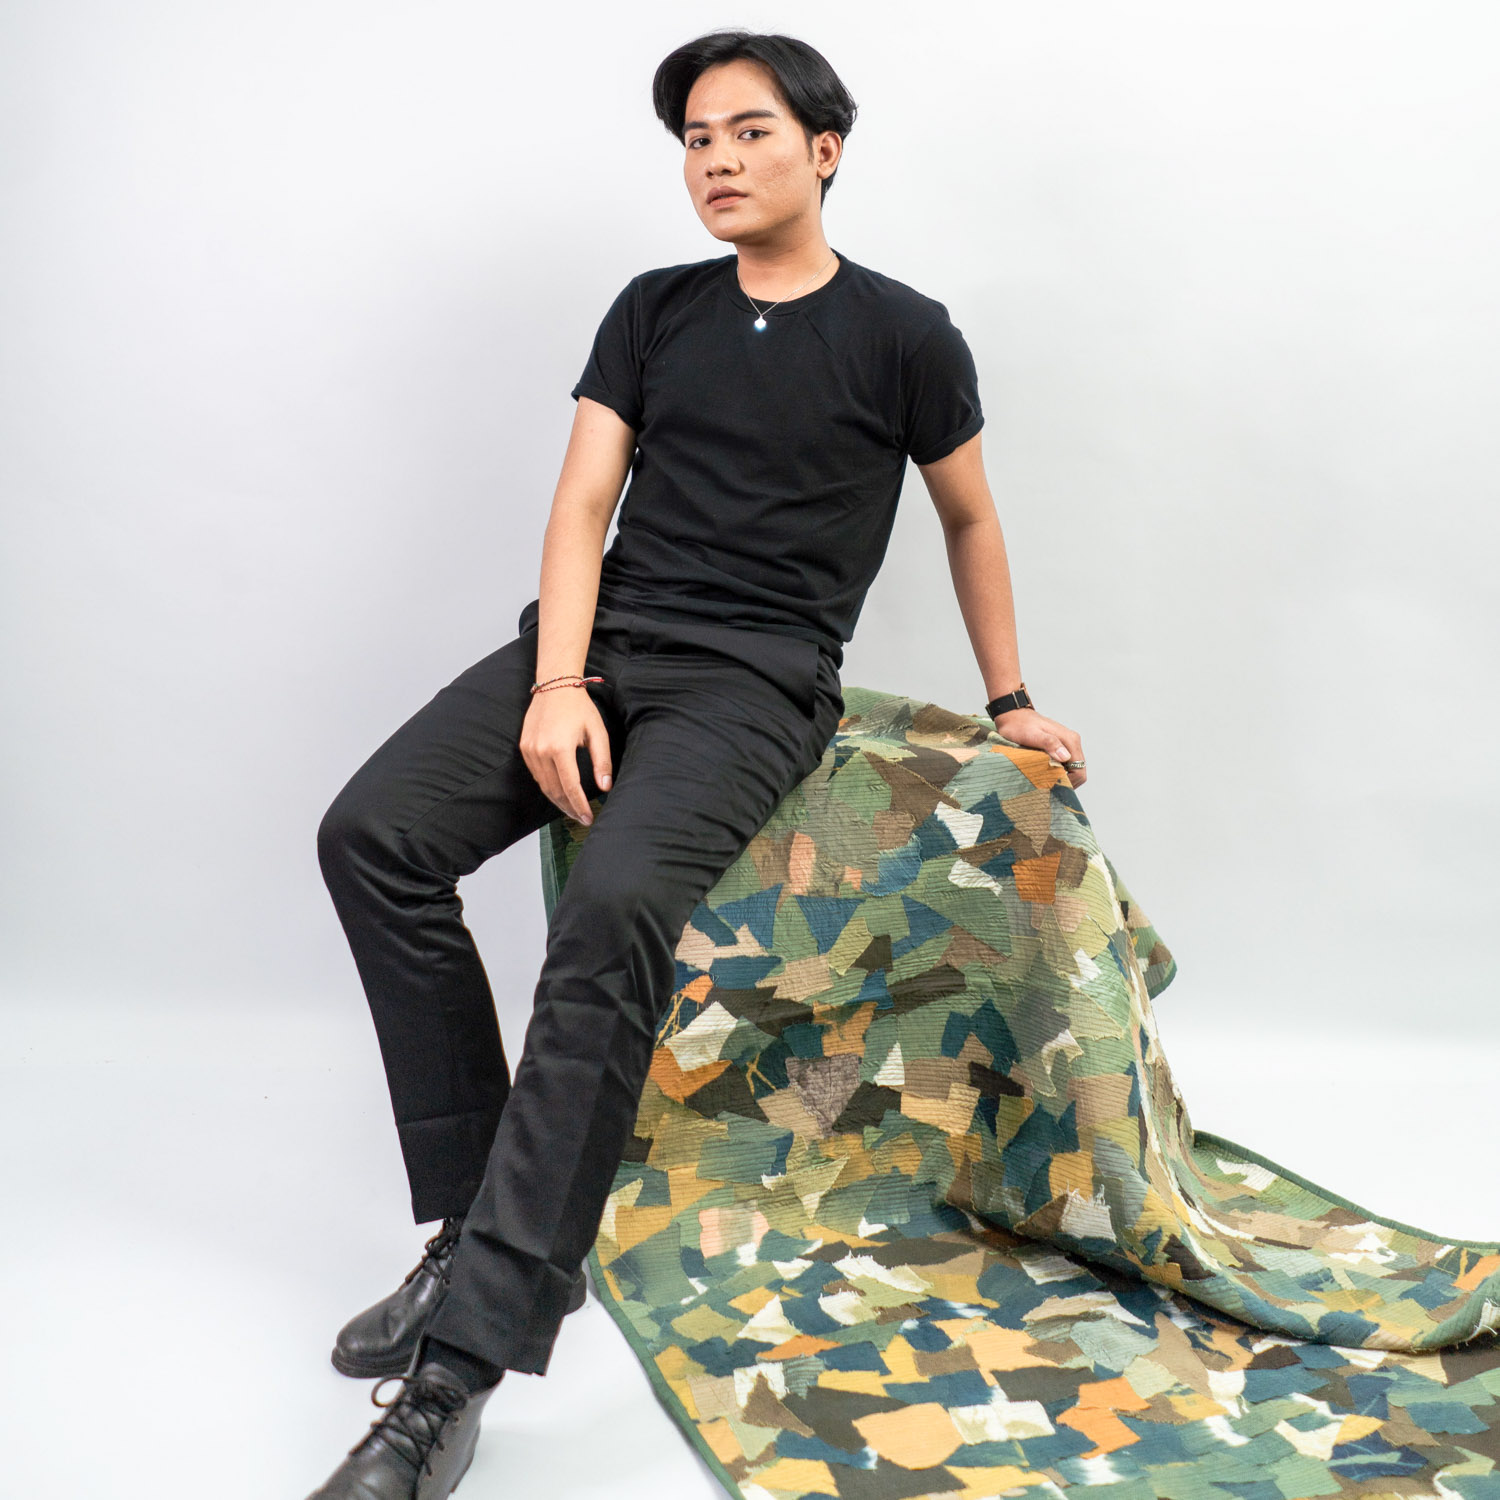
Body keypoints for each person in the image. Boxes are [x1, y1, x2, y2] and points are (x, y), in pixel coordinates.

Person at [304, 26, 1087, 1500]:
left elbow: (970, 517)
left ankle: (453, 1377)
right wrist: (557, 681)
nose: (716, 160)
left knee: (611, 910)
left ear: (825, 150)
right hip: (601, 646)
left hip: (755, 682)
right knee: (373, 837)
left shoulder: (907, 335)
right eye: (695, 139)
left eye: (749, 131)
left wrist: (1014, 698)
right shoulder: (654, 309)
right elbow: (581, 504)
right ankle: (471, 1226)